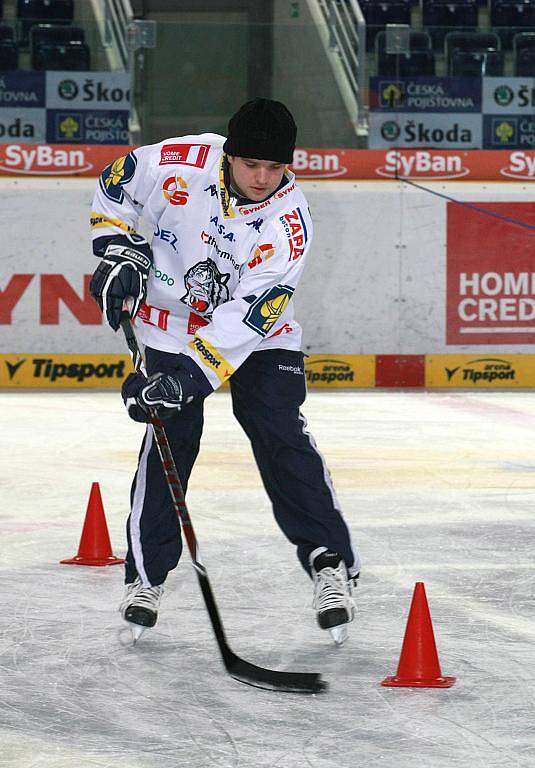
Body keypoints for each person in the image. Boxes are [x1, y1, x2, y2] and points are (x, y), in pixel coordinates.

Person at [89, 98, 361, 645]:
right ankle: (146, 576)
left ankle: (329, 561)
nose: (263, 178)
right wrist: (118, 250)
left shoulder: (290, 221)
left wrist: (186, 379)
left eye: (276, 168)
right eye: (251, 165)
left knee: (278, 427)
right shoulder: (178, 161)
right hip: (169, 323)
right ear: (229, 155)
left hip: (257, 333)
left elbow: (248, 321)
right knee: (170, 435)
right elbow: (114, 187)